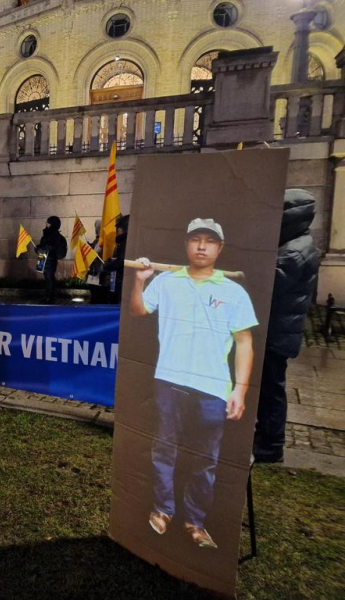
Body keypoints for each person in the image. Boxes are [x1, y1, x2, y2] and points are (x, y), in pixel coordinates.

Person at [130, 218, 257, 550]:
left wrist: (240, 389)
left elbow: (244, 343)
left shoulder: (234, 291)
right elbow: (139, 311)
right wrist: (140, 282)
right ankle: (163, 510)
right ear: (186, 244)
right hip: (169, 380)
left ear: (220, 247)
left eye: (209, 241)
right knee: (164, 448)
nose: (202, 246)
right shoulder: (166, 281)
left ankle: (195, 521)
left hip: (214, 387)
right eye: (196, 239)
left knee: (205, 458)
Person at [254, 189, 320, 463]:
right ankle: (267, 438)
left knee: (270, 389)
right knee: (269, 387)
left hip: (276, 332)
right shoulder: (297, 244)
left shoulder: (292, 252)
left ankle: (271, 444)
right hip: (278, 329)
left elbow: (266, 287)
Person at [36, 216, 68, 304]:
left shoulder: (54, 236)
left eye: (48, 222)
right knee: (47, 278)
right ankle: (47, 296)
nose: (46, 224)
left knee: (49, 278)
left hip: (50, 259)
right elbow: (44, 245)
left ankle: (50, 297)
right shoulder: (48, 234)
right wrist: (39, 249)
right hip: (44, 258)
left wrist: (41, 248)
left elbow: (50, 247)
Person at [103, 214, 129, 304]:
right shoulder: (123, 242)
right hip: (120, 280)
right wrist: (111, 261)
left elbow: (121, 261)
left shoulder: (125, 243)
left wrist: (108, 266)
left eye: (119, 228)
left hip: (123, 280)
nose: (117, 230)